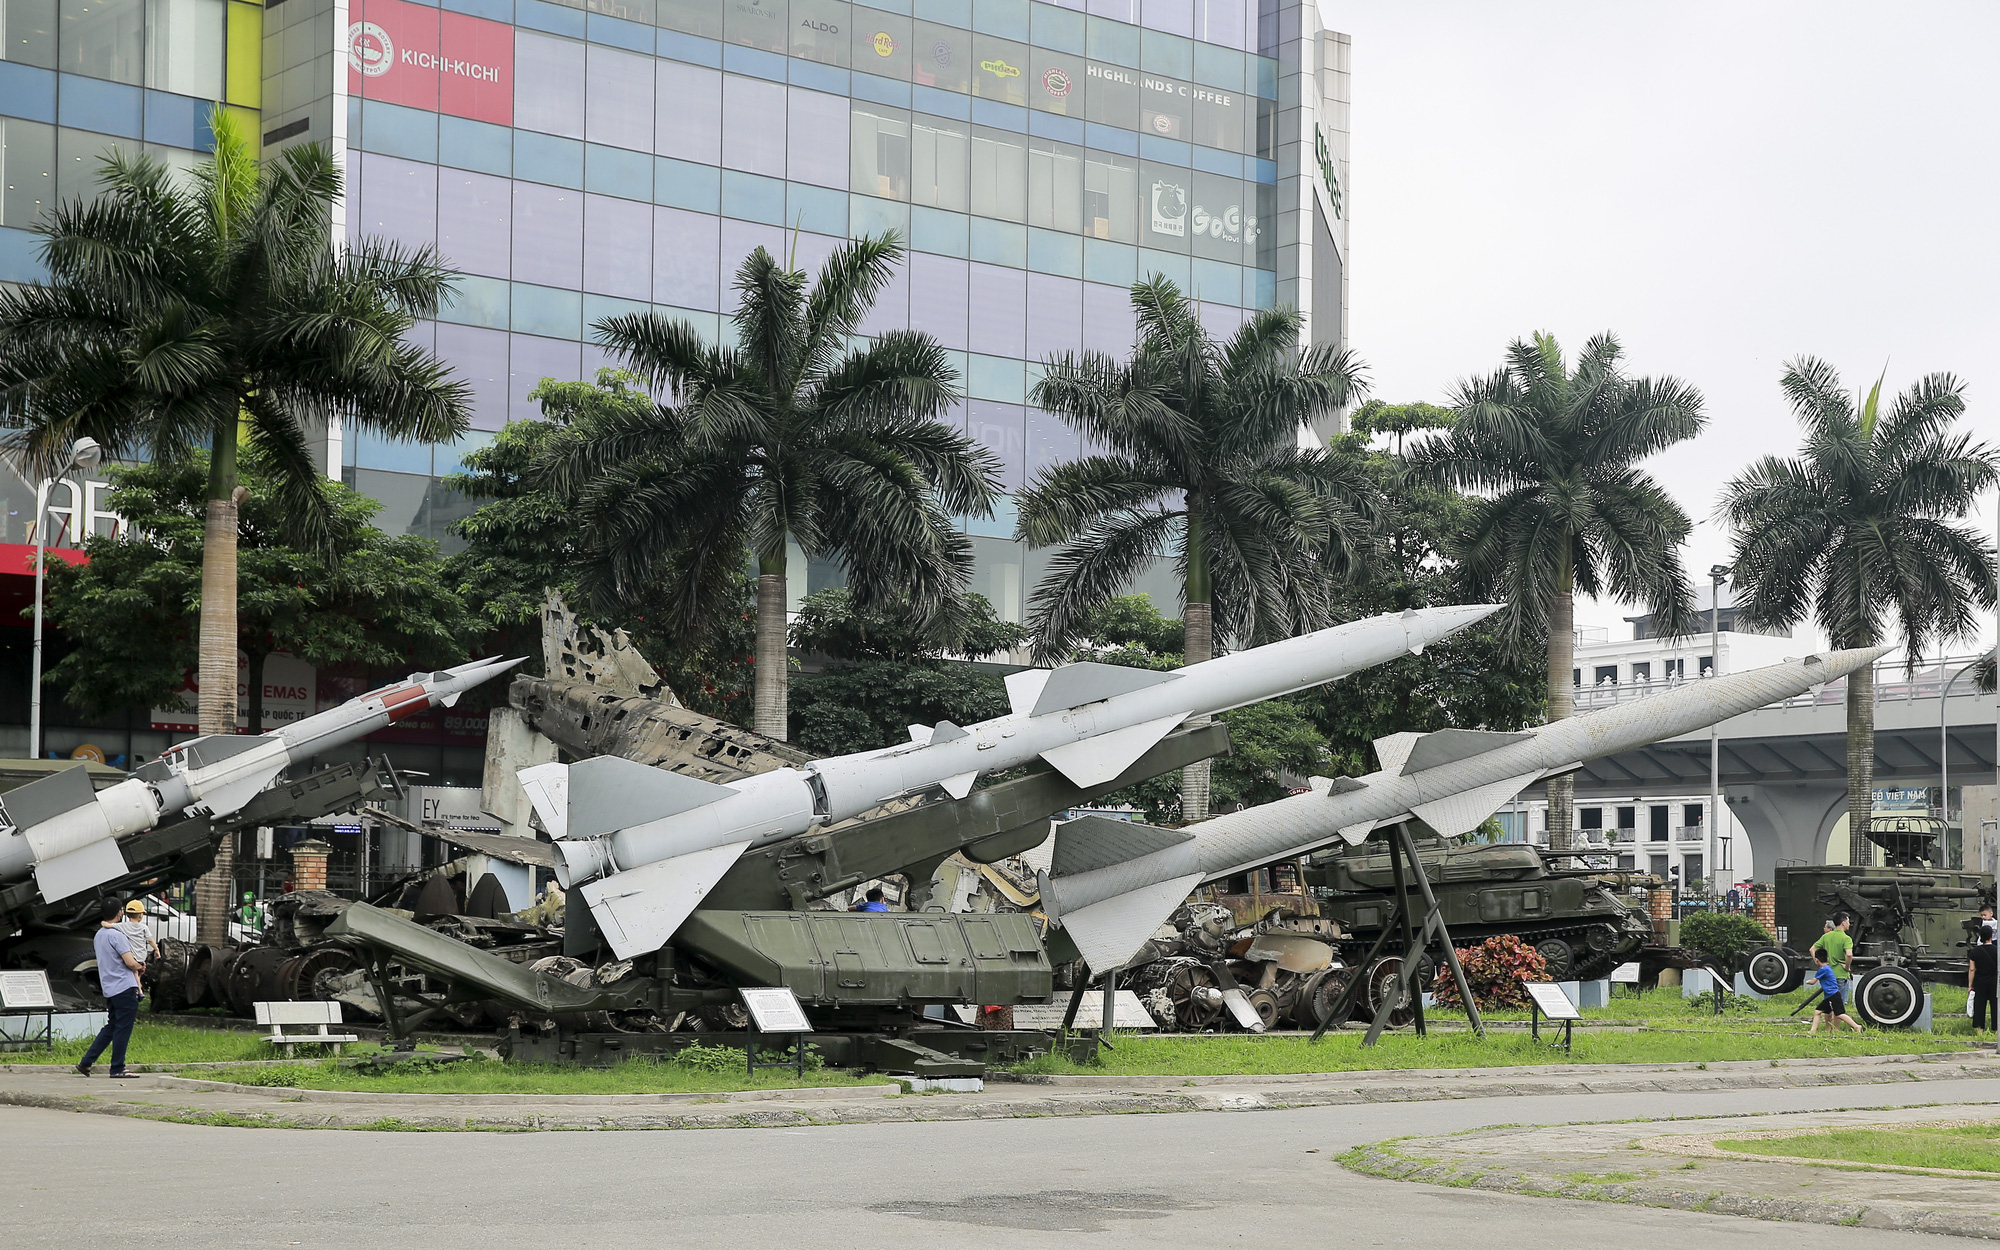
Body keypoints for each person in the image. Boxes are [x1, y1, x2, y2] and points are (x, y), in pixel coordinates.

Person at [77, 897, 145, 1078]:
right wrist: (140, 966)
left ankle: (86, 1062)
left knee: (112, 1026)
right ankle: (118, 1067)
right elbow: (130, 962)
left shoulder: (100, 935)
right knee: (123, 1028)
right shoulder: (117, 935)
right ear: (119, 913)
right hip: (124, 986)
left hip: (110, 988)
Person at [1808, 947, 1863, 1034]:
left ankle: (1857, 1026)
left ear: (1816, 960)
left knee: (1840, 1014)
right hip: (1830, 995)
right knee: (1819, 1011)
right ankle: (1815, 1030)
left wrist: (1808, 981)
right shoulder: (1828, 968)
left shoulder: (1822, 970)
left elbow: (1813, 982)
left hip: (1832, 995)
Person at [1812, 912, 1854, 999]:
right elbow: (1849, 954)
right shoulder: (1846, 939)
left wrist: (1819, 963)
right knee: (1839, 1006)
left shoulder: (1826, 936)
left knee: (1829, 1004)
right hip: (1841, 975)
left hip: (1828, 974)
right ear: (1843, 923)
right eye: (1848, 921)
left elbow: (1812, 949)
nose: (1849, 924)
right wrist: (1847, 967)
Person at [117, 899, 160, 971]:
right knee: (137, 975)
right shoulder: (144, 927)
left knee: (135, 973)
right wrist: (156, 949)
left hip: (130, 958)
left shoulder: (123, 926)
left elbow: (107, 925)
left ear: (127, 914)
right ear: (140, 915)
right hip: (141, 958)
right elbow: (150, 940)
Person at [1969, 932, 1997, 1032]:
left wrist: (1970, 985)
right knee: (1995, 1005)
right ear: (1991, 936)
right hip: (1994, 981)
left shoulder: (1975, 951)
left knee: (1979, 1005)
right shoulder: (1997, 950)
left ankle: (1979, 1029)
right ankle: (1996, 1029)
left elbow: (1972, 969)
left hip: (1980, 981)